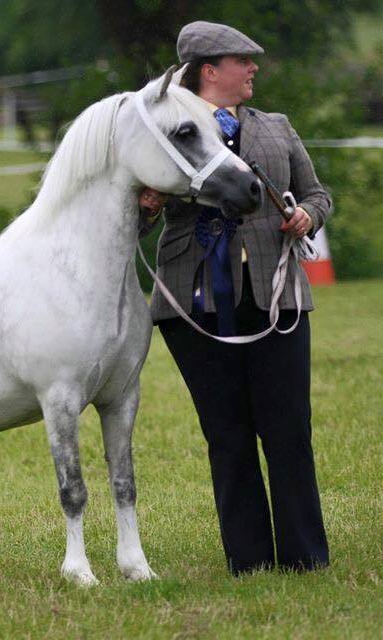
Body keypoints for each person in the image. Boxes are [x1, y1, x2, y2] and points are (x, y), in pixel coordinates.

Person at [141, 21, 331, 575]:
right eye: (242, 60)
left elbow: (318, 193)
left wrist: (308, 215)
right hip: (193, 304)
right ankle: (248, 562)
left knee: (289, 429)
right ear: (209, 70)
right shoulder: (165, 130)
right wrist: (148, 205)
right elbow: (137, 214)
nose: (253, 69)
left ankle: (305, 558)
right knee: (226, 435)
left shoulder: (276, 127)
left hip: (277, 299)